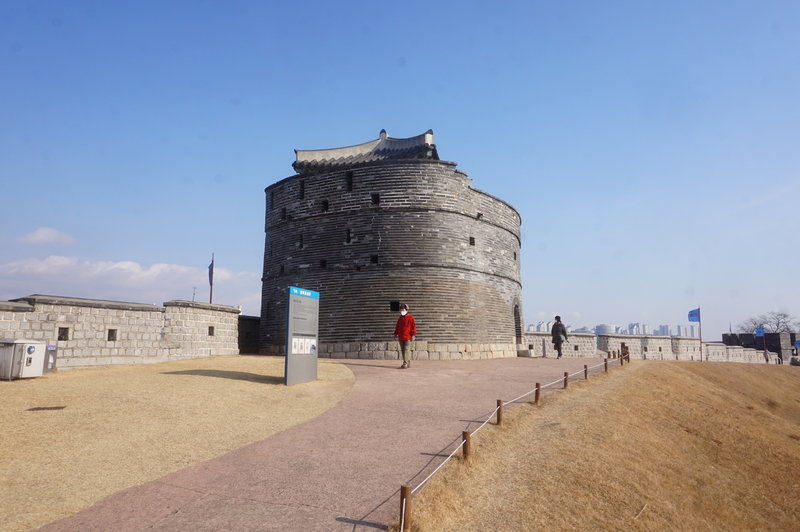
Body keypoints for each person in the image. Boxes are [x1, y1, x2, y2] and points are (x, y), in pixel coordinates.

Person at [394, 303, 417, 369]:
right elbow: (397, 327)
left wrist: (413, 335)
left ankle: (405, 363)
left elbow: (413, 327)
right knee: (403, 350)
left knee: (406, 350)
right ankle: (408, 362)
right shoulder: (400, 318)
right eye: (401, 310)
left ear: (406, 310)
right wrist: (395, 334)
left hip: (407, 336)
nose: (402, 311)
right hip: (401, 337)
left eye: (403, 310)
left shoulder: (411, 317)